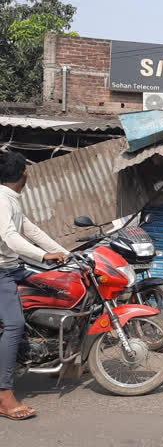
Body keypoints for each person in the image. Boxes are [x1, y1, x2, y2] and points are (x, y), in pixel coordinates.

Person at [0, 151, 68, 421]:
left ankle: (67, 359)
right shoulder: (1, 199)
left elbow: (31, 230)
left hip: (13, 268)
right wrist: (43, 256)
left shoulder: (12, 198)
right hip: (1, 272)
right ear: (24, 173)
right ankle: (4, 395)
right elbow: (9, 236)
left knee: (59, 291)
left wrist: (65, 254)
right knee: (13, 324)